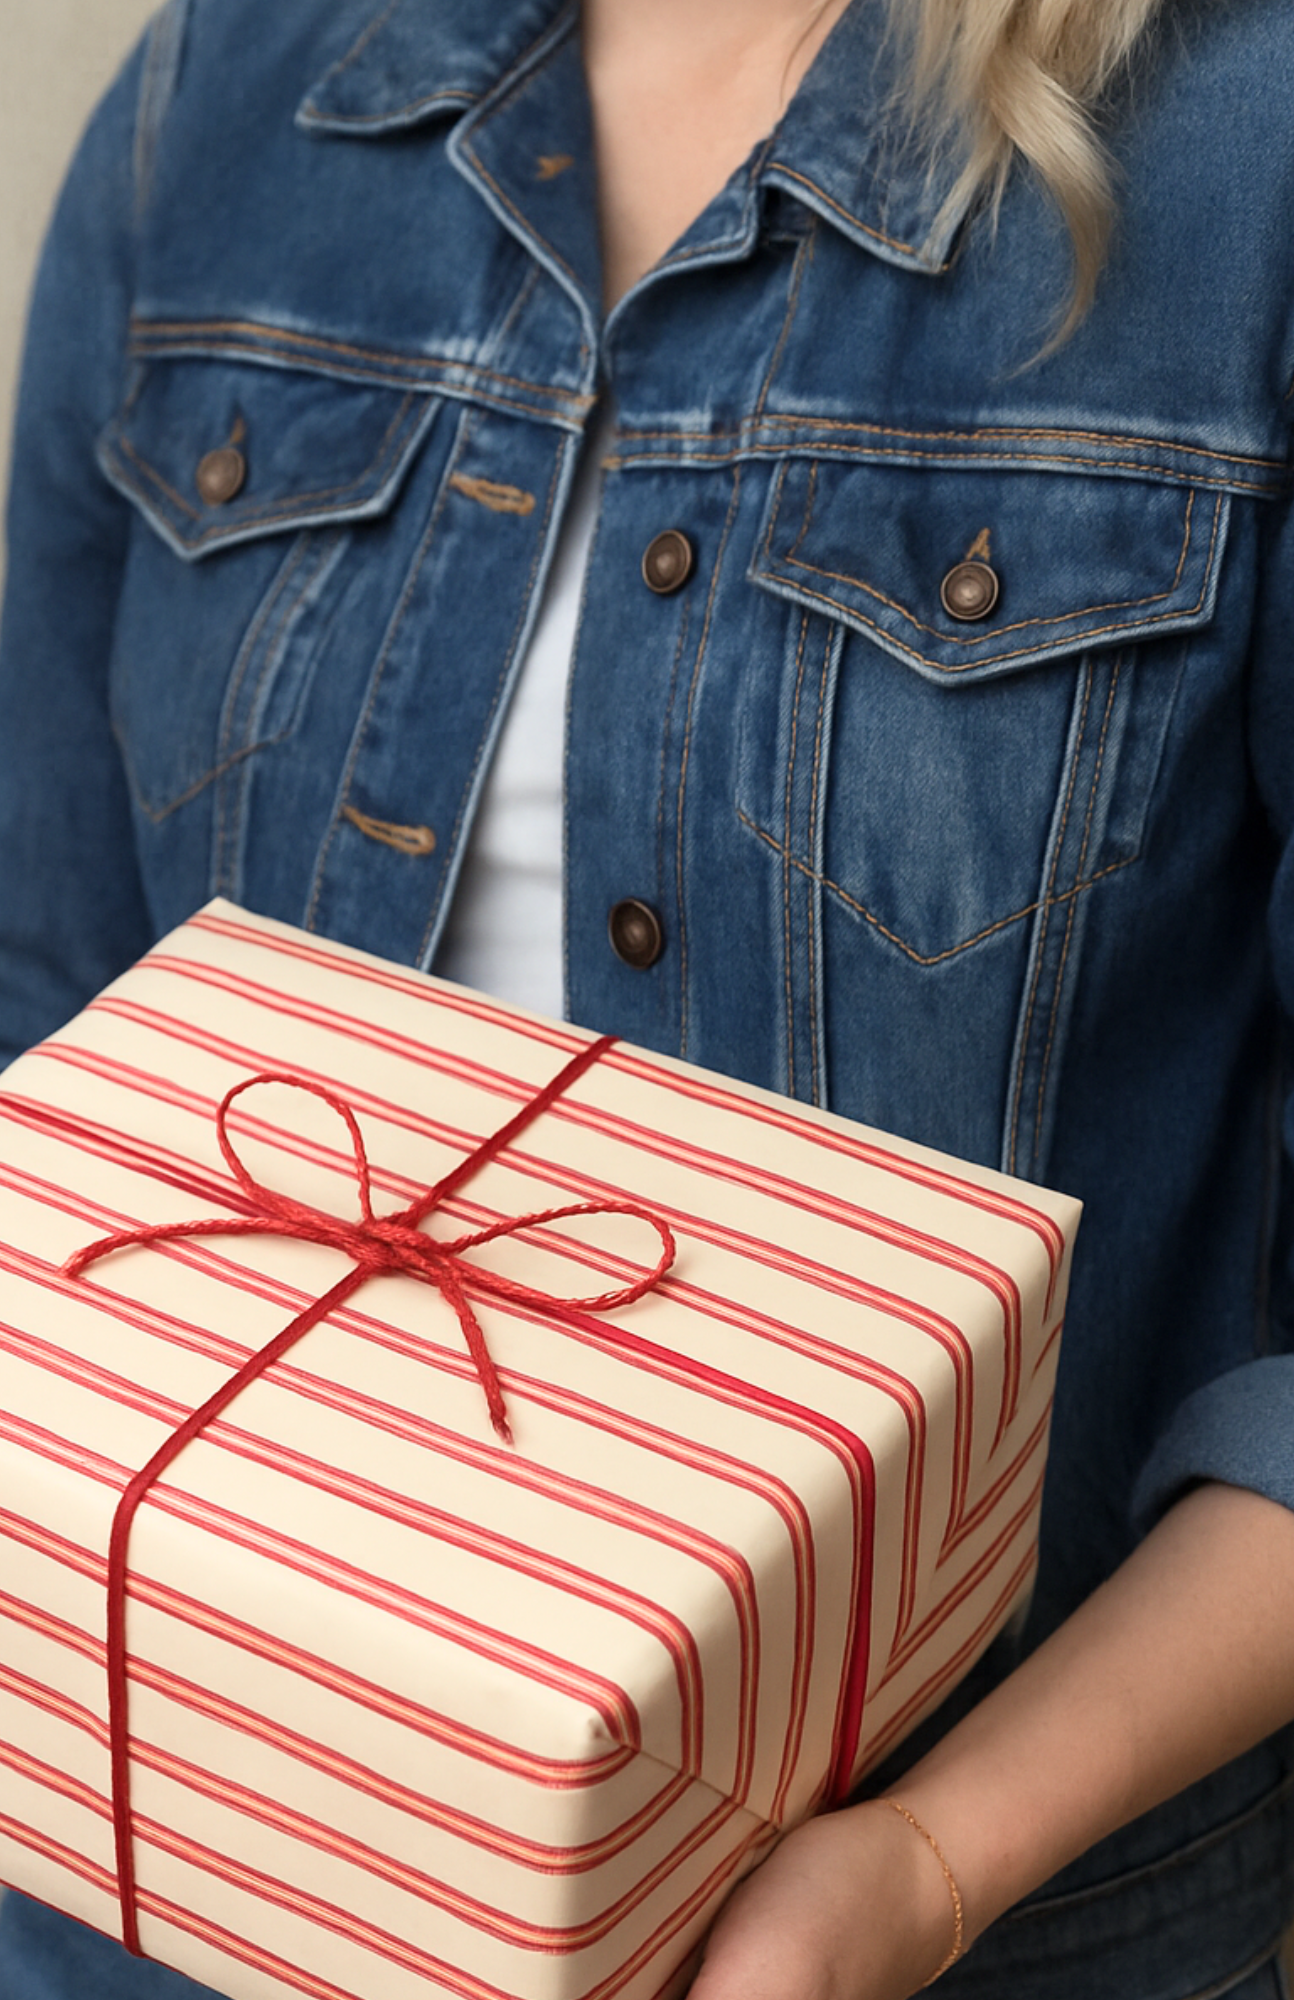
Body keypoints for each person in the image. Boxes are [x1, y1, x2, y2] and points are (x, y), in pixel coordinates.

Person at [1, 0, 1293, 1996]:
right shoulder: (220, 93)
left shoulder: (1252, 153)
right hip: (158, 1868)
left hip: (968, 1929)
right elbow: (54, 1007)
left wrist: (931, 1862)